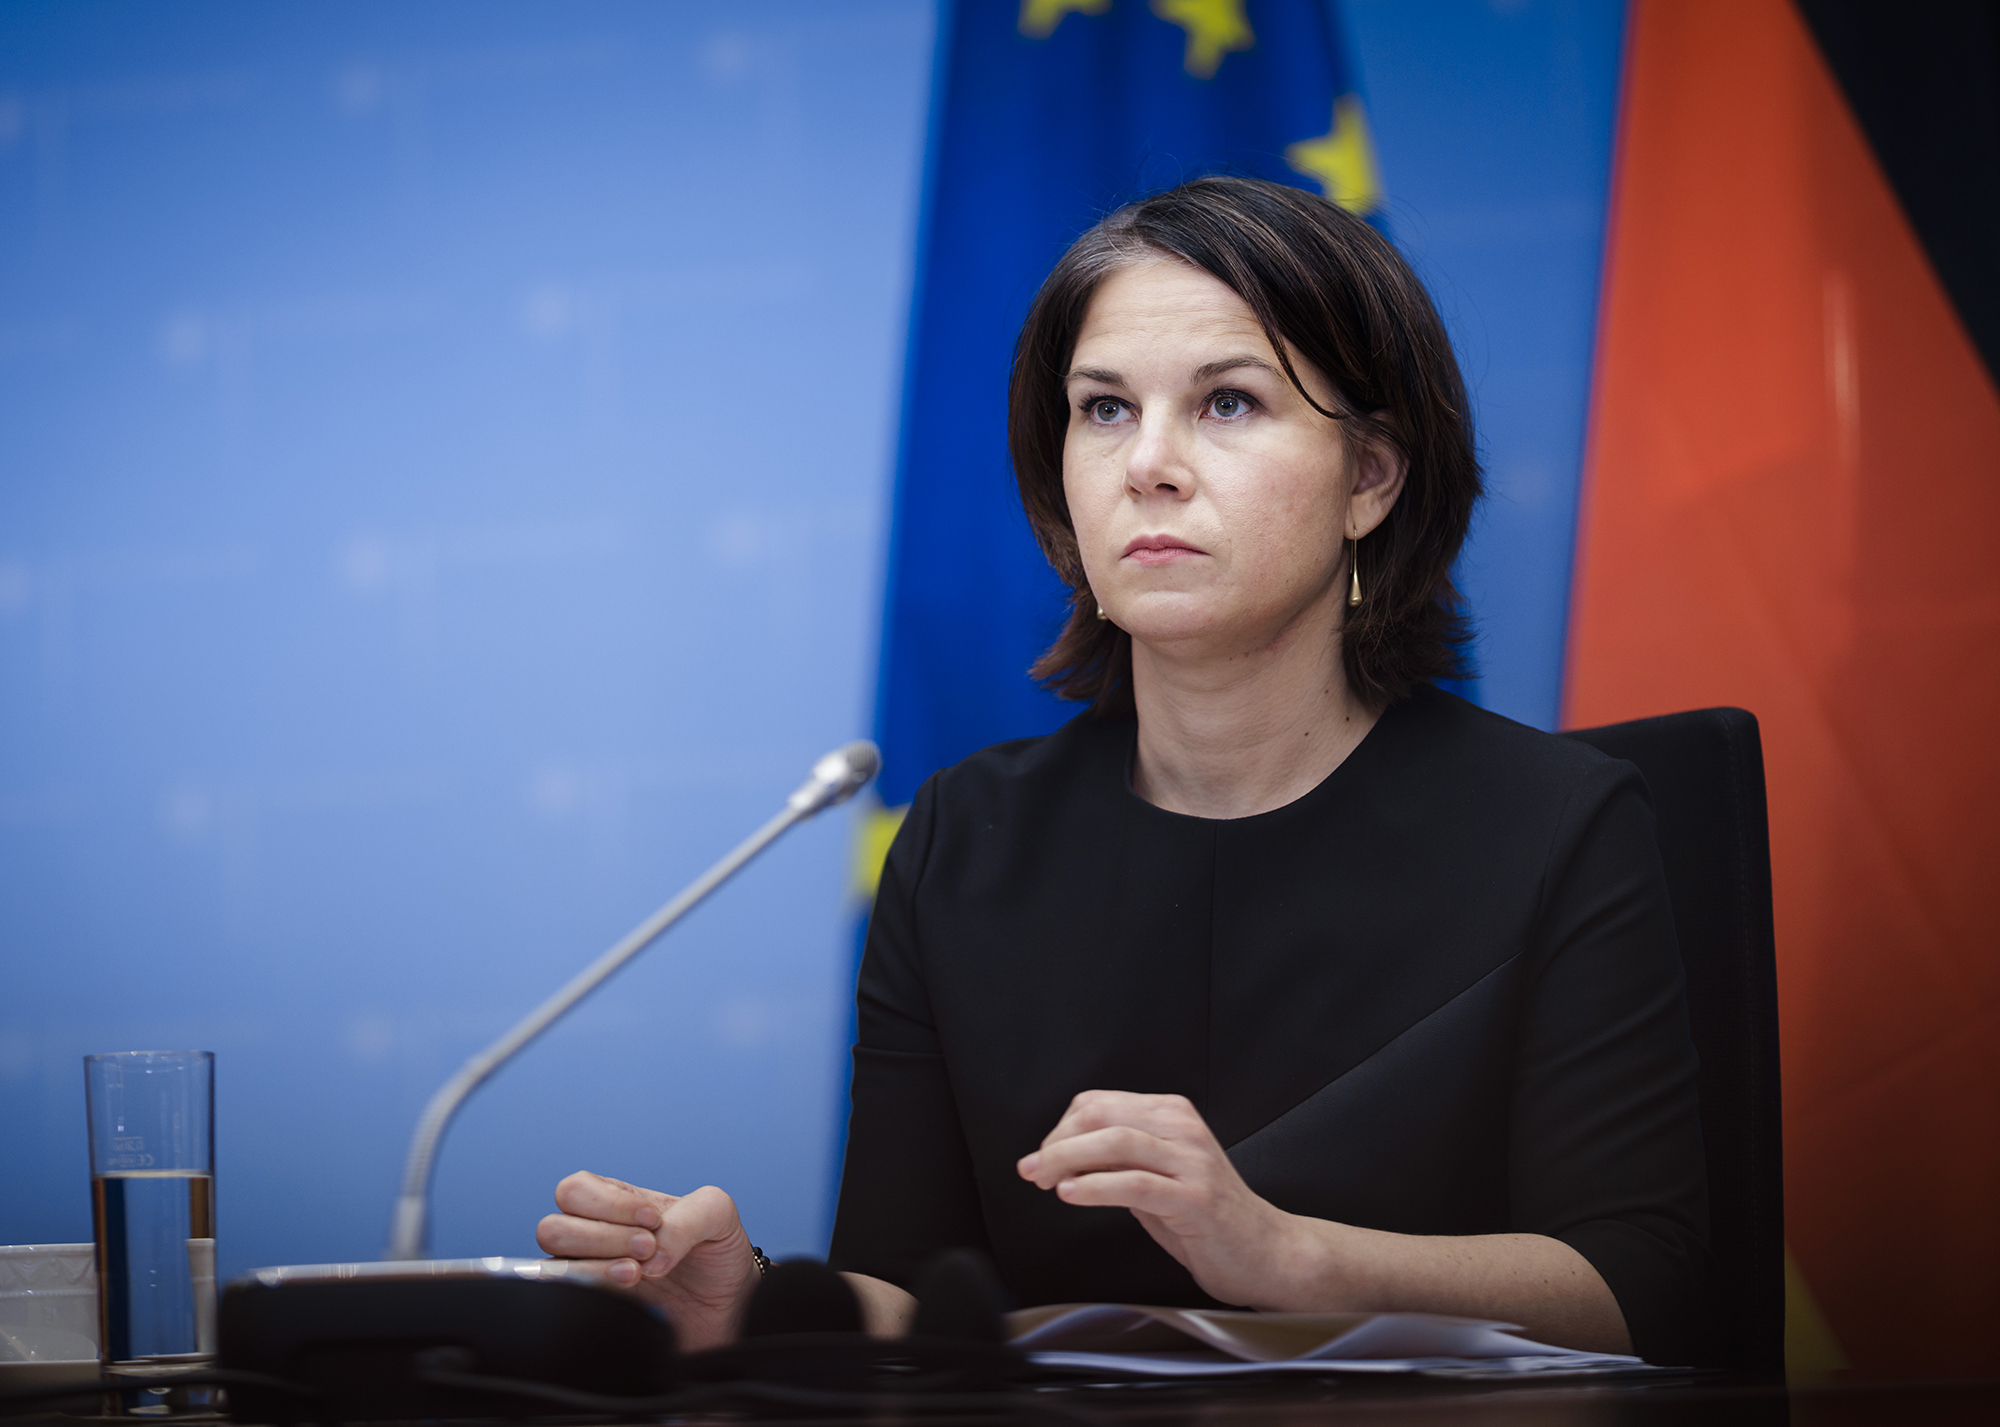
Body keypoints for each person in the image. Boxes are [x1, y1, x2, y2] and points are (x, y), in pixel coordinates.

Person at [535, 176, 1710, 1365]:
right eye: (1102, 410)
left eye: (1228, 404)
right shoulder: (963, 841)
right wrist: (762, 1307)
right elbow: (917, 1290)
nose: (1146, 463)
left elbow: (1637, 1284)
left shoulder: (1555, 824)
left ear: (1369, 480)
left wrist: (1284, 1256)